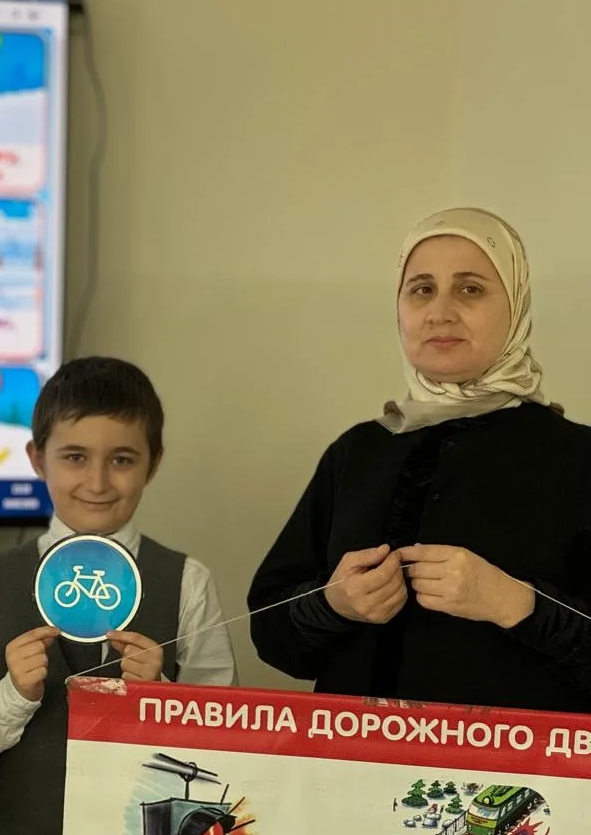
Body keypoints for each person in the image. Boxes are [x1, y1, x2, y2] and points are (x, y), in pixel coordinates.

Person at [247, 207, 591, 712]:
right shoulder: (359, 451)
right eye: (422, 289)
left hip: (511, 763)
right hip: (351, 757)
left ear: (516, 305)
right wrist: (333, 603)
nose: (440, 312)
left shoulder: (577, 458)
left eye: (470, 289)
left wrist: (515, 603)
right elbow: (271, 635)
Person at [0, 356, 237, 835]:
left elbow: (225, 739)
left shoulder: (186, 582)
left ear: (153, 463)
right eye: (75, 457)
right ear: (37, 459)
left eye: (122, 459)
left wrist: (161, 699)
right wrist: (13, 694)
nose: (98, 482)